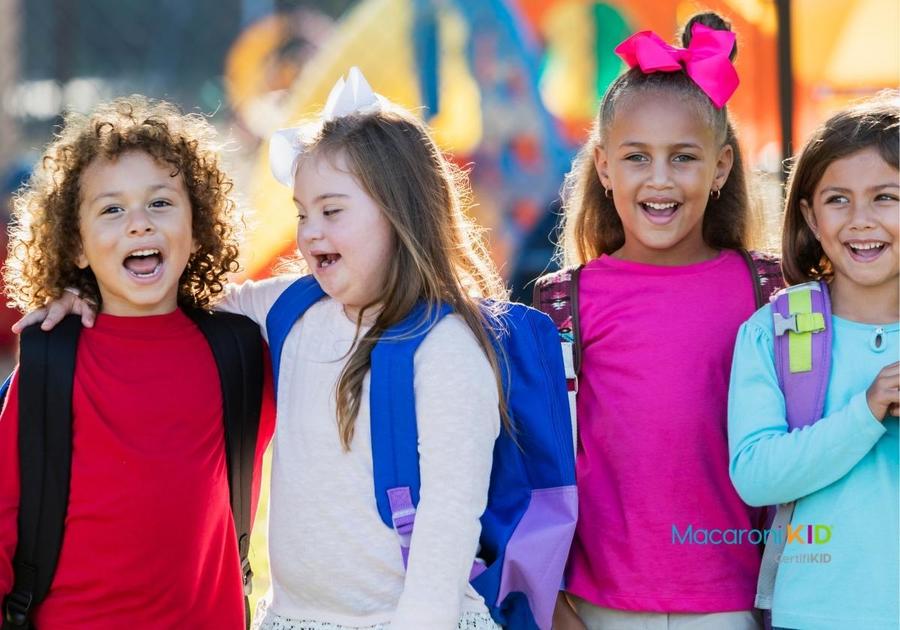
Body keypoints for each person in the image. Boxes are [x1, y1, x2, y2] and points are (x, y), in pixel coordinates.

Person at [0, 96, 274, 629]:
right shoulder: (50, 358)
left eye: (161, 203)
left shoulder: (241, 353)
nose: (139, 224)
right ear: (76, 246)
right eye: (111, 209)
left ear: (197, 229)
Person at [545, 12, 769, 630]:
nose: (661, 179)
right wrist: (556, 600)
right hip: (595, 605)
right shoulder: (564, 304)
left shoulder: (770, 292)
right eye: (637, 157)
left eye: (684, 158)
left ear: (721, 168)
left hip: (732, 602)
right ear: (605, 166)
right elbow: (537, 461)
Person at [728, 93, 899, 630]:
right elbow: (755, 477)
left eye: (885, 197)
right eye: (838, 199)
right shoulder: (775, 331)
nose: (861, 220)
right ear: (809, 214)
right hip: (815, 614)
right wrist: (865, 413)